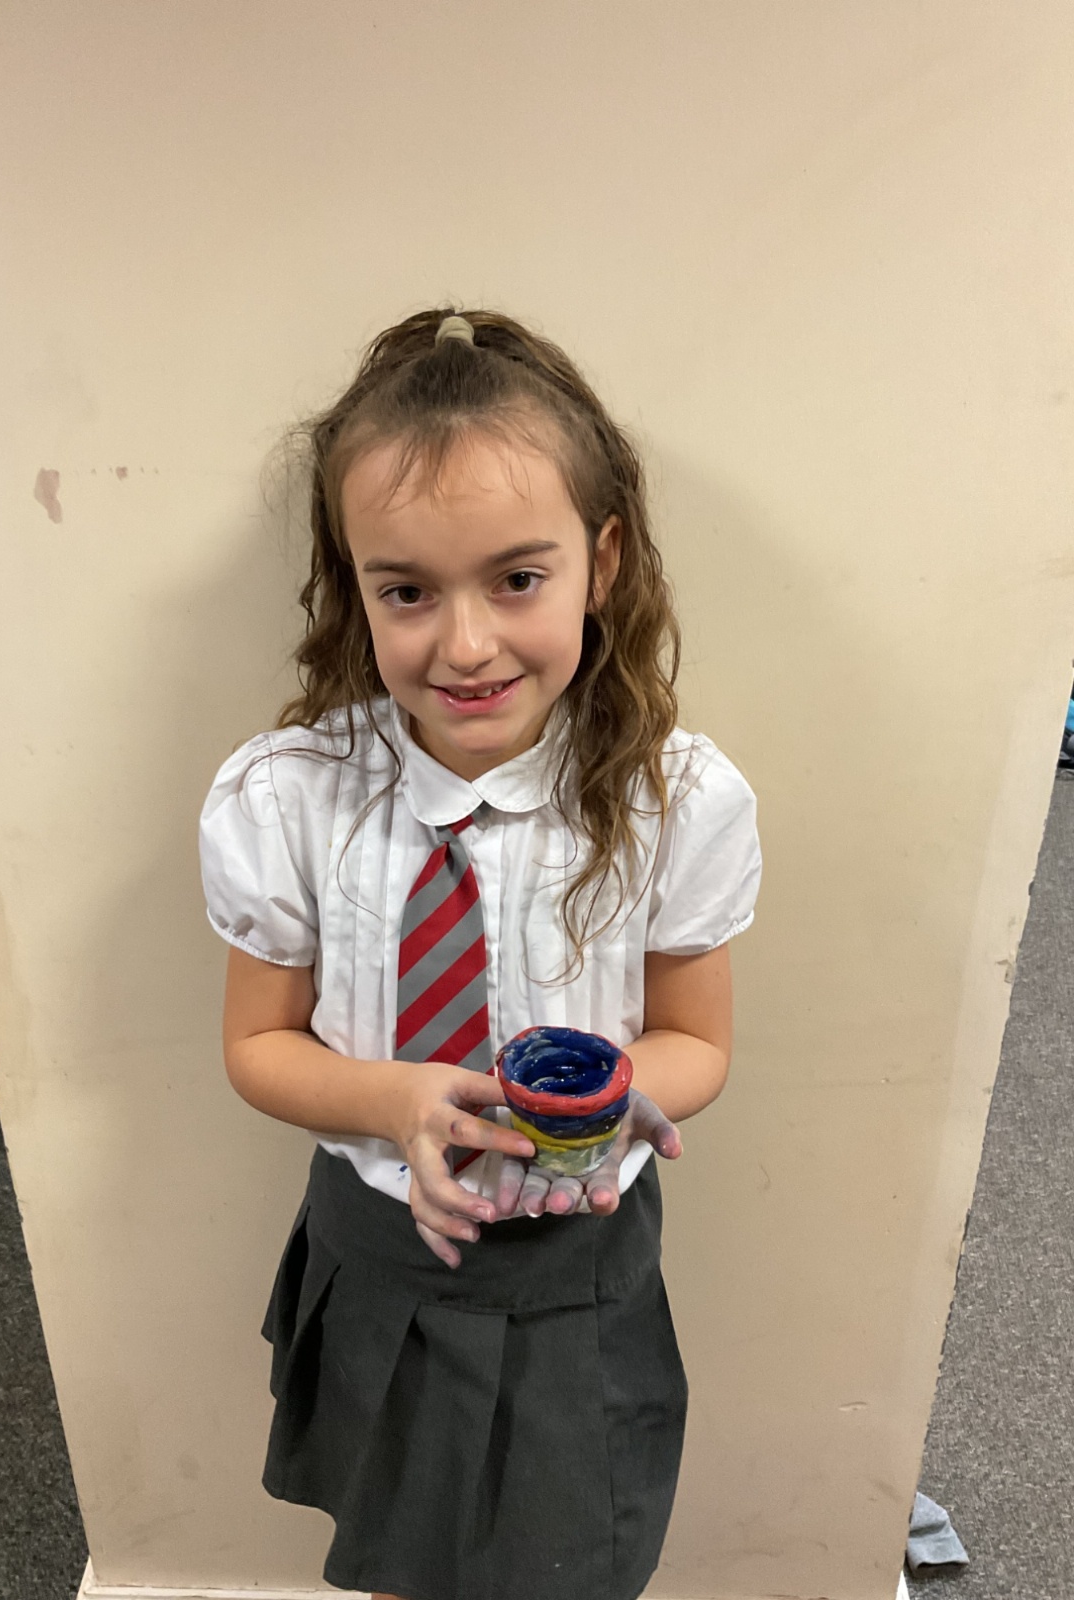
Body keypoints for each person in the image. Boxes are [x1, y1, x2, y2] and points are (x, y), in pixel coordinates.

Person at [198, 308, 762, 1600]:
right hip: (380, 1251)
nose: (463, 645)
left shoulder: (677, 800)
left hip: (577, 1269)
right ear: (356, 587)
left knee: (573, 1554)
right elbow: (257, 1044)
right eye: (407, 591)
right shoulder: (289, 797)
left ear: (600, 562)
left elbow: (698, 1040)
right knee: (399, 1548)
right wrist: (393, 1098)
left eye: (517, 579)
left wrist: (622, 1097)